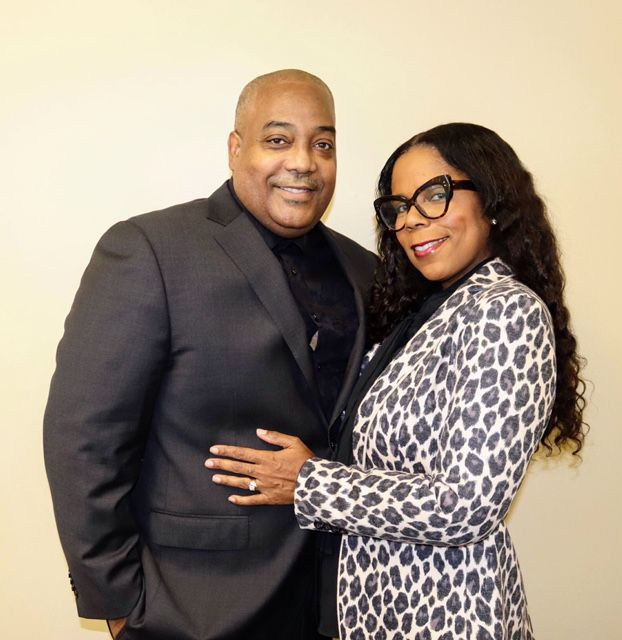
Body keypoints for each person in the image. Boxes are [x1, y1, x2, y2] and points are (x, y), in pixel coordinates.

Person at [206, 123, 587, 639]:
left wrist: (308, 481)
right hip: (373, 612)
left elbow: (465, 507)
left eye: (435, 195)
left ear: (492, 200)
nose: (411, 222)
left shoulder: (506, 312)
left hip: (444, 617)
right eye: (399, 206)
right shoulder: (427, 312)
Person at [43, 69, 377, 640]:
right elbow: (84, 438)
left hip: (339, 605)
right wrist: (120, 605)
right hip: (192, 608)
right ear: (235, 148)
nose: (303, 161)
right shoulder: (149, 249)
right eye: (278, 139)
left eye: (323, 144)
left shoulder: (364, 270)